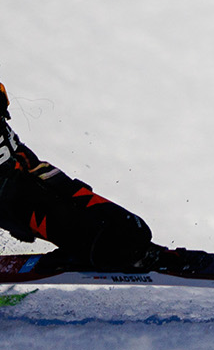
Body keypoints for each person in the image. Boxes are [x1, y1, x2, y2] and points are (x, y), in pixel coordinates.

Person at [1, 84, 157, 271]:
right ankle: (102, 246)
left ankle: (126, 249)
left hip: (27, 181)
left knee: (128, 230)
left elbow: (19, 155)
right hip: (16, 195)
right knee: (117, 244)